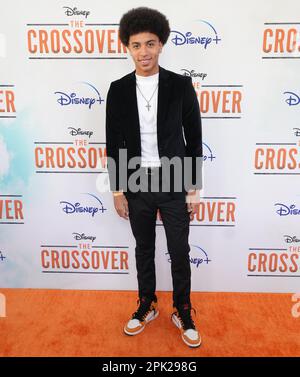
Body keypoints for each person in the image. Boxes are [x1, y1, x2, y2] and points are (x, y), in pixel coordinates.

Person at [105, 7, 203, 348]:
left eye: (150, 43)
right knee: (143, 248)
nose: (143, 51)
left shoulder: (179, 86)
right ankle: (147, 304)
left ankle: (183, 310)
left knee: (179, 249)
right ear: (126, 48)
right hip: (136, 184)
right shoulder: (117, 90)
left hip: (175, 181)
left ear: (161, 44)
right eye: (136, 45)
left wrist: (193, 188)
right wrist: (117, 190)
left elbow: (194, 137)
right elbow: (113, 142)